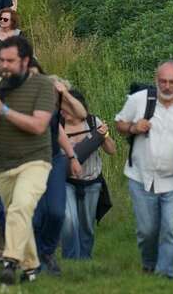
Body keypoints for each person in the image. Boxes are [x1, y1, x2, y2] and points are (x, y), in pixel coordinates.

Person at [0, 36, 56, 284]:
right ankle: (32, 267)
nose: (3, 65)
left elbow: (38, 126)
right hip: (2, 163)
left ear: (25, 61)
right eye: (1, 60)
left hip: (35, 159)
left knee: (19, 207)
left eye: (10, 61)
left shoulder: (44, 85)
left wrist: (4, 111)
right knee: (19, 216)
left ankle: (10, 261)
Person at [115, 61, 173, 278]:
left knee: (171, 228)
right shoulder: (139, 100)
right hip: (140, 176)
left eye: (172, 82)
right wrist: (134, 127)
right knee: (147, 230)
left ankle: (165, 274)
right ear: (156, 80)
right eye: (163, 81)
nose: (167, 86)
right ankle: (149, 264)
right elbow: (120, 124)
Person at [32, 76, 86, 276]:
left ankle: (47, 253)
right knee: (36, 217)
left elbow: (80, 115)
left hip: (54, 160)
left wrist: (72, 157)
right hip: (30, 162)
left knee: (56, 213)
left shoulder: (56, 109)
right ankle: (36, 259)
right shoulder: (30, 102)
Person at [61, 90, 116, 260]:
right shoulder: (59, 125)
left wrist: (103, 135)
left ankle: (84, 261)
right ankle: (70, 259)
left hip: (91, 182)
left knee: (86, 225)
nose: (64, 111)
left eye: (68, 107)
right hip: (66, 181)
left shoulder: (93, 122)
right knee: (69, 222)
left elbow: (112, 150)